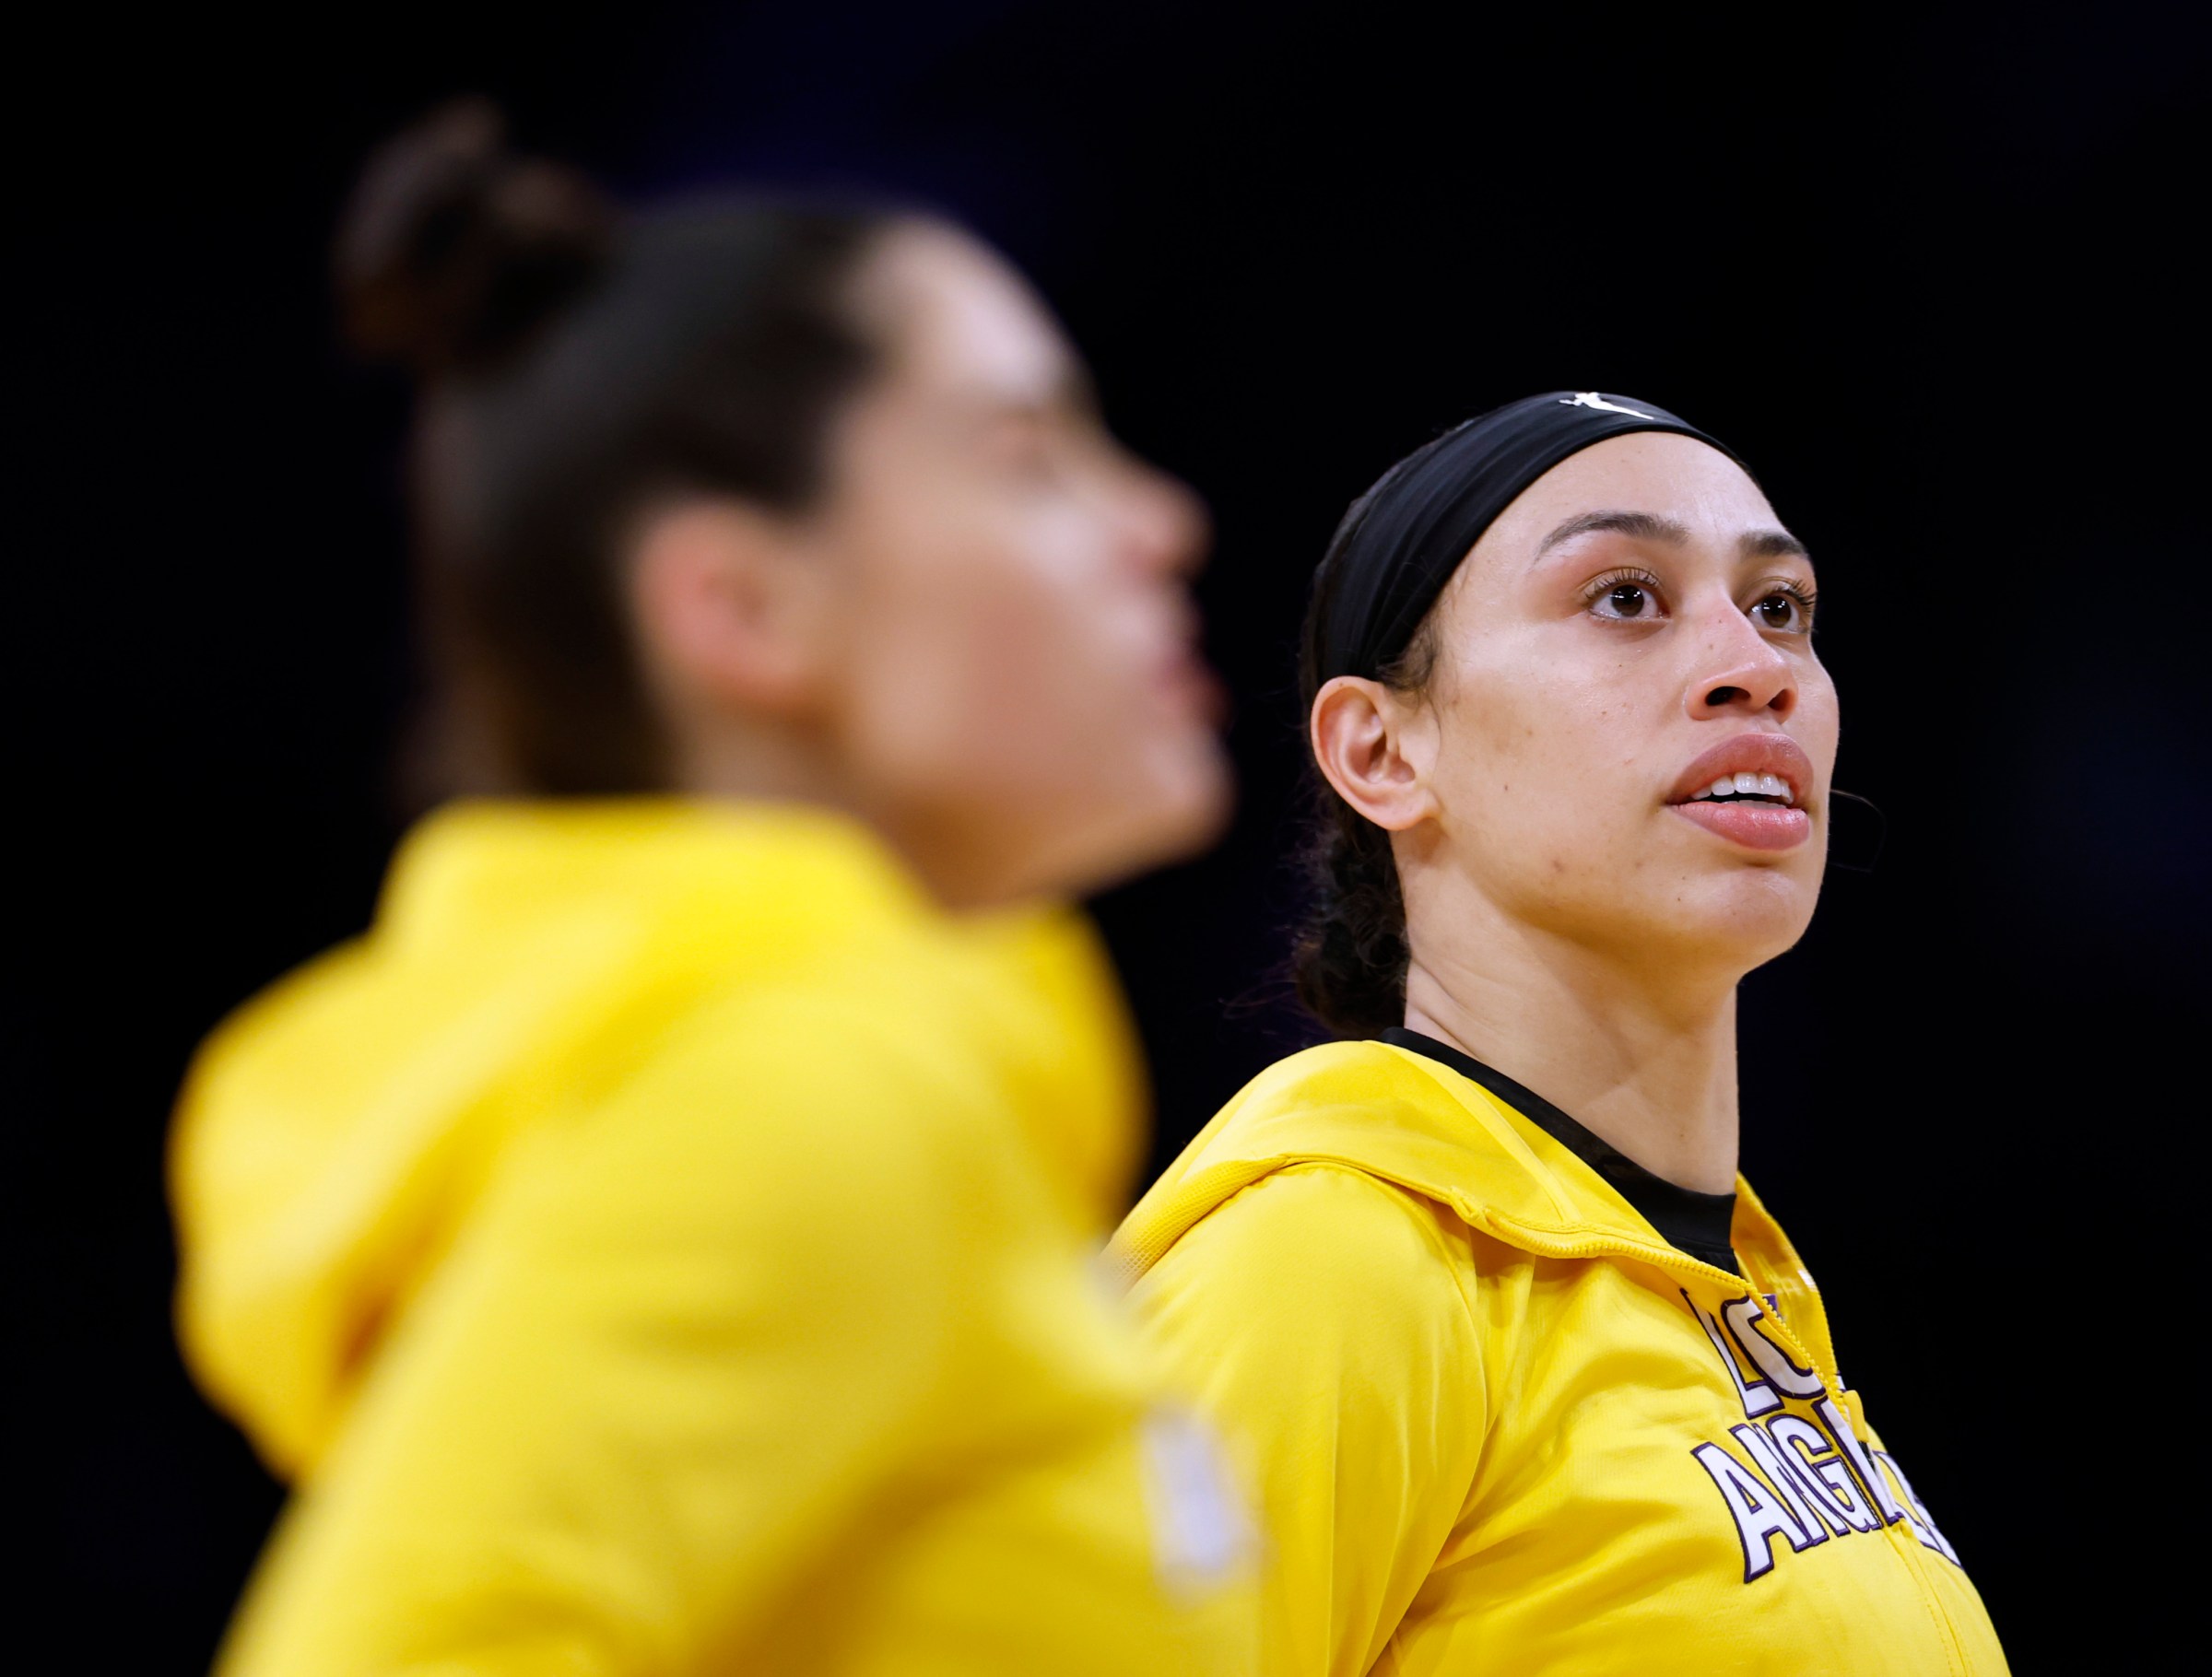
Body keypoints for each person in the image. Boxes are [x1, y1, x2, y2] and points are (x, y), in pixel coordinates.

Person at [171, 103, 1253, 1676]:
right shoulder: (808, 1086)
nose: (1159, 523)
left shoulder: (852, 1078)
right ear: (742, 607)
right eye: (1029, 461)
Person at [1112, 393, 2009, 1674]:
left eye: (1780, 607)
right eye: (1624, 598)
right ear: (1382, 751)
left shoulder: (1727, 1291)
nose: (1755, 665)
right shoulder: (1335, 1257)